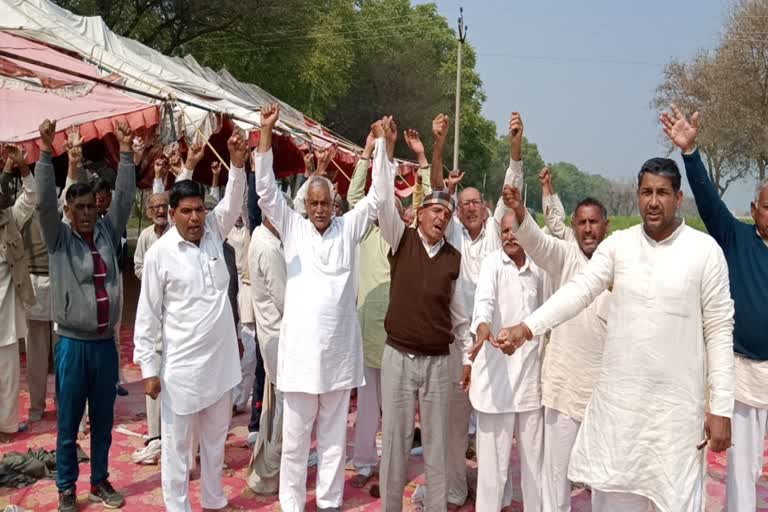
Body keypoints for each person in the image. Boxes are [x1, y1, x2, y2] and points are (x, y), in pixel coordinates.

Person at [495, 154, 736, 511]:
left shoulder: (704, 252)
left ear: (678, 198)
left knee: (676, 500)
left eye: (663, 193)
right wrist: (528, 328)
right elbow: (577, 292)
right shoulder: (618, 246)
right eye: (646, 192)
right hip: (619, 416)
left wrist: (722, 408)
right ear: (638, 196)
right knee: (613, 497)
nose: (654, 201)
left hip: (674, 418)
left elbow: (718, 330)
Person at [253, 104, 387, 512]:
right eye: (312, 204)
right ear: (305, 206)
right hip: (299, 363)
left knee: (332, 442)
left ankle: (329, 503)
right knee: (295, 444)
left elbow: (379, 197)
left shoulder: (348, 230)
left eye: (325, 203)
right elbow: (265, 193)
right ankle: (292, 504)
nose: (318, 210)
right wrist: (264, 135)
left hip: (339, 360)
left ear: (334, 204)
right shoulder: (293, 230)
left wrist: (381, 146)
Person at [659, 105, 768, 512]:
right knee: (742, 472)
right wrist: (690, 153)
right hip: (741, 374)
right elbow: (706, 201)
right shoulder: (736, 238)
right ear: (755, 210)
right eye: (767, 206)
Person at [133, 129, 247, 512]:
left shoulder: (215, 232)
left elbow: (232, 201)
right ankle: (177, 506)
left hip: (221, 363)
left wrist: (236, 164)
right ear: (172, 213)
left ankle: (214, 499)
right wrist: (149, 367)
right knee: (178, 448)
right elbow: (147, 316)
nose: (196, 217)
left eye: (200, 209)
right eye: (187, 211)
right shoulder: (160, 255)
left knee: (216, 441)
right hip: (181, 368)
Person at [37, 118, 135, 511]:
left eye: (89, 206)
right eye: (76, 207)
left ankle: (99, 481)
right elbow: (44, 202)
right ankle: (66, 489)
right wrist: (46, 153)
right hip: (73, 346)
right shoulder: (58, 238)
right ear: (67, 209)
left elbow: (125, 199)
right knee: (67, 425)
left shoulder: (108, 233)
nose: (85, 213)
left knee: (104, 422)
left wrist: (126, 154)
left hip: (104, 347)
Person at [376, 113, 472, 512]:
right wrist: (386, 147)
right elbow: (382, 199)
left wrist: (466, 359)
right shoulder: (401, 239)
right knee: (396, 445)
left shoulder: (454, 259)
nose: (440, 218)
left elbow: (461, 316)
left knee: (436, 448)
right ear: (418, 213)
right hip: (398, 357)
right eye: (434, 211)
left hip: (438, 364)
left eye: (446, 215)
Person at [429, 113, 524, 510]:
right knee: (453, 427)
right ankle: (454, 490)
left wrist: (515, 146)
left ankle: (496, 494)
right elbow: (436, 186)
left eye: (474, 203)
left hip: (492, 344)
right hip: (455, 344)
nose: (468, 209)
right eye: (462, 204)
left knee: (493, 428)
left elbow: (512, 188)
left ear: (485, 208)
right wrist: (437, 144)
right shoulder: (450, 233)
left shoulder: (495, 235)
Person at [505, 181, 610, 511]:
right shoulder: (564, 255)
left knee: (606, 476)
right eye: (582, 222)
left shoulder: (618, 263)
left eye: (594, 222)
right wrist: (521, 211)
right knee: (556, 474)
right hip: (564, 385)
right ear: (574, 227)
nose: (588, 229)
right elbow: (536, 242)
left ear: (605, 226)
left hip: (605, 391)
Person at [346, 128, 431, 490]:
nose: (386, 212)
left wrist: (422, 158)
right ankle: (365, 461)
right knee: (367, 407)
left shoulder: (404, 239)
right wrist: (367, 150)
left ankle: (390, 465)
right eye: (382, 208)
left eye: (394, 208)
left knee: (396, 410)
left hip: (398, 336)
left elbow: (423, 201)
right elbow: (354, 196)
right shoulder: (363, 233)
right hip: (367, 333)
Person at [468, 211, 545, 512]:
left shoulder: (541, 267)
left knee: (535, 468)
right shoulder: (491, 263)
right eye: (504, 231)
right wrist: (483, 326)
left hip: (530, 382)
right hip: (495, 383)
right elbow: (484, 301)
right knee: (492, 470)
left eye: (515, 230)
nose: (509, 236)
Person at [245, 204, 289, 495]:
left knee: (276, 409)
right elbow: (285, 299)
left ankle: (270, 468)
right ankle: (269, 470)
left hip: (273, 336)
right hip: (279, 337)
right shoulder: (269, 247)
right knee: (285, 411)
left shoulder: (263, 237)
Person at [130, 191, 170, 465]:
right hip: (152, 307)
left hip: (175, 313)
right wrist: (153, 276)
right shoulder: (145, 236)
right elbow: (137, 266)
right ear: (148, 211)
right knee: (152, 372)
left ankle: (175, 436)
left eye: (163, 206)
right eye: (155, 207)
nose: (160, 211)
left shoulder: (175, 233)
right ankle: (154, 437)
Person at [0, 145, 36, 443]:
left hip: (6, 319)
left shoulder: (10, 219)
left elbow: (31, 196)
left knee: (9, 377)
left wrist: (22, 166)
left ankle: (8, 426)